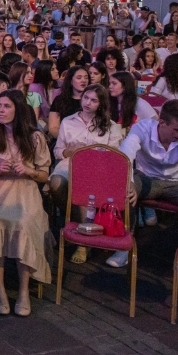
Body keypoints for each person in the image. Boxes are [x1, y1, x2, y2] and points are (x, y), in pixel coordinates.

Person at [108, 100, 178, 277]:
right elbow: (125, 156)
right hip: (148, 179)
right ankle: (125, 245)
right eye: (177, 130)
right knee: (125, 191)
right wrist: (129, 182)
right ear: (162, 123)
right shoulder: (142, 128)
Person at [0, 90, 52, 316]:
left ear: (18, 109)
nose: (1, 111)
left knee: (25, 220)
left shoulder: (34, 138)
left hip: (25, 189)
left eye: (6, 106)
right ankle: (0, 290)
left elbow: (45, 174)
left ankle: (24, 290)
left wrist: (29, 171)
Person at [49, 85, 124, 264]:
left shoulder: (111, 126)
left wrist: (91, 153)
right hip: (69, 164)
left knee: (82, 184)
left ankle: (82, 243)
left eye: (93, 100)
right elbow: (58, 151)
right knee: (55, 183)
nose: (87, 103)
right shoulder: (68, 121)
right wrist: (69, 151)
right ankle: (79, 223)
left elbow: (115, 155)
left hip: (97, 169)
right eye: (85, 98)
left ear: (101, 104)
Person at [48, 65, 89, 140]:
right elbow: (53, 128)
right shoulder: (59, 100)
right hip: (64, 141)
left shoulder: (92, 100)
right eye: (79, 78)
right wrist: (67, 139)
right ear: (70, 81)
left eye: (86, 77)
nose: (84, 80)